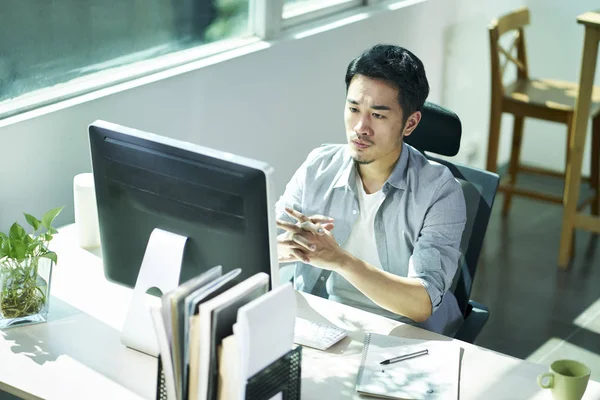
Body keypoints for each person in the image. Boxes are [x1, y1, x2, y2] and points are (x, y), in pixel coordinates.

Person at [275, 44, 467, 336]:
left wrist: (340, 260)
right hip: (322, 319)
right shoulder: (319, 166)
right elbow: (271, 242)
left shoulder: (441, 192)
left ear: (410, 123)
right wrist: (287, 246)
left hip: (403, 334)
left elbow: (422, 303)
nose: (360, 128)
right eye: (353, 109)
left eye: (378, 115)